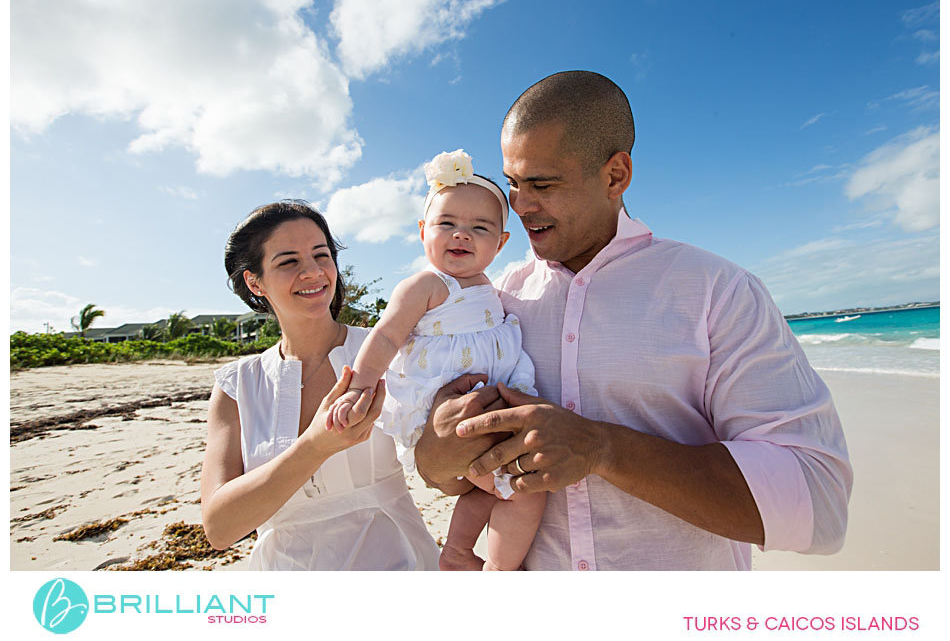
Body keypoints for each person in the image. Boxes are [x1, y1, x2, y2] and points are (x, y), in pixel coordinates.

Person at [413, 70, 853, 571]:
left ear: (616, 175)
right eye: (513, 184)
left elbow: (818, 499)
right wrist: (438, 445)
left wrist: (602, 448)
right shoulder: (494, 299)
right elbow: (437, 474)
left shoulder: (717, 290)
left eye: (543, 184)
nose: (520, 206)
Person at [328, 149, 546, 571]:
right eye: (447, 224)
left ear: (501, 243)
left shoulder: (492, 288)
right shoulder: (427, 284)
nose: (461, 235)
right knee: (523, 490)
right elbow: (387, 335)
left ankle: (459, 551)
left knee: (483, 489)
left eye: (479, 228)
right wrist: (359, 387)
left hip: (485, 409)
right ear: (423, 230)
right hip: (442, 411)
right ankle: (500, 570)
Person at [200, 200, 440, 570]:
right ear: (255, 282)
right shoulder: (238, 386)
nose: (313, 272)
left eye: (321, 255)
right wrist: (314, 446)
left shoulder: (393, 351)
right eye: (288, 261)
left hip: (397, 563)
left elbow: (444, 462)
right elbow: (219, 528)